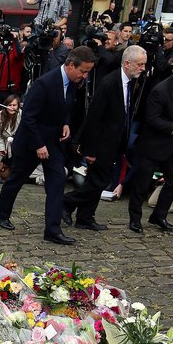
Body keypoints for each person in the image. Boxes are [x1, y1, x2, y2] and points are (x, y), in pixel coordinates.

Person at [0, 46, 97, 244]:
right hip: (30, 143)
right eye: (83, 71)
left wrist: (66, 123)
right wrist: (39, 145)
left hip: (53, 144)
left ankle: (52, 229)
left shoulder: (73, 83)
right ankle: (2, 214)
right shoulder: (44, 84)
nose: (85, 76)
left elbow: (66, 106)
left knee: (58, 180)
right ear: (70, 65)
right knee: (16, 180)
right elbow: (29, 119)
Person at [68, 45, 147, 231]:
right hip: (101, 143)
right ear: (127, 64)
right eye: (140, 64)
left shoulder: (132, 81)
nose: (143, 68)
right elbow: (94, 118)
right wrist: (90, 149)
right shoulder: (109, 83)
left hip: (115, 141)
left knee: (96, 181)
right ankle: (66, 202)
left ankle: (85, 217)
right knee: (99, 182)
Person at [128, 52, 173, 234]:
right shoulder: (160, 90)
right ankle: (135, 218)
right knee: (142, 184)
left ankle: (159, 215)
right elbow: (152, 119)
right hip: (153, 145)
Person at [0, 94, 21, 180]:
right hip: (4, 143)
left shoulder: (21, 114)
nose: (12, 107)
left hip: (18, 143)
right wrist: (2, 147)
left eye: (14, 105)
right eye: (10, 105)